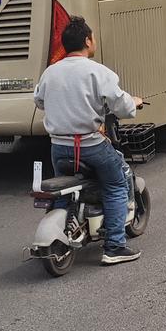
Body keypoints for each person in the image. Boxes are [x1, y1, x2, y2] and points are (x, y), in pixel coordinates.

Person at [32, 16, 144, 266]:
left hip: (59, 147)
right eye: (93, 37)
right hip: (91, 145)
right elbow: (122, 105)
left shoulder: (50, 72)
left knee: (63, 193)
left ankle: (66, 228)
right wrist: (134, 102)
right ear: (87, 41)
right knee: (116, 184)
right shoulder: (98, 72)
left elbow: (39, 101)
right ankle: (114, 246)